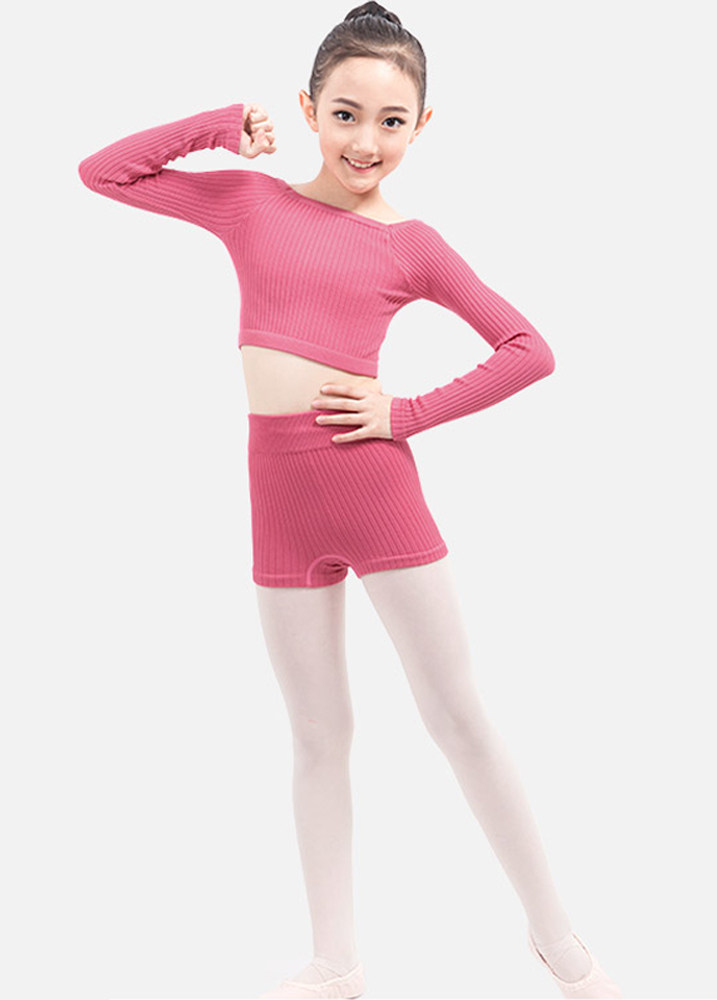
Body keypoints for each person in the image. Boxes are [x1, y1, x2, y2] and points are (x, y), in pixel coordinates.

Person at [78, 3, 623, 998]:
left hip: (376, 492)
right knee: (317, 734)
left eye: (391, 120)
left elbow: (529, 349)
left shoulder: (412, 243)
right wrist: (217, 126)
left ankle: (558, 941)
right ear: (308, 109)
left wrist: (406, 412)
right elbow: (104, 172)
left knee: (458, 715)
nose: (366, 140)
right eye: (345, 113)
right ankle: (336, 960)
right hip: (277, 497)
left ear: (422, 125)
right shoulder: (250, 203)